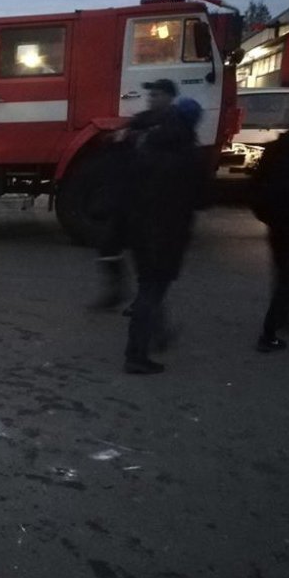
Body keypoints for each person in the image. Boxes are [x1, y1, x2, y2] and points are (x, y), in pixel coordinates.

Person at [122, 82, 203, 374]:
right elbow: (204, 198)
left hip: (140, 229)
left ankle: (156, 336)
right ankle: (137, 354)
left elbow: (127, 185)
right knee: (152, 291)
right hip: (169, 234)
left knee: (148, 287)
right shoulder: (191, 155)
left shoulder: (146, 145)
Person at [252, 99, 289, 353]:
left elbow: (256, 183)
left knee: (283, 270)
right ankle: (270, 331)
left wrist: (264, 214)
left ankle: (283, 314)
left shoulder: (276, 148)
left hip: (278, 221)